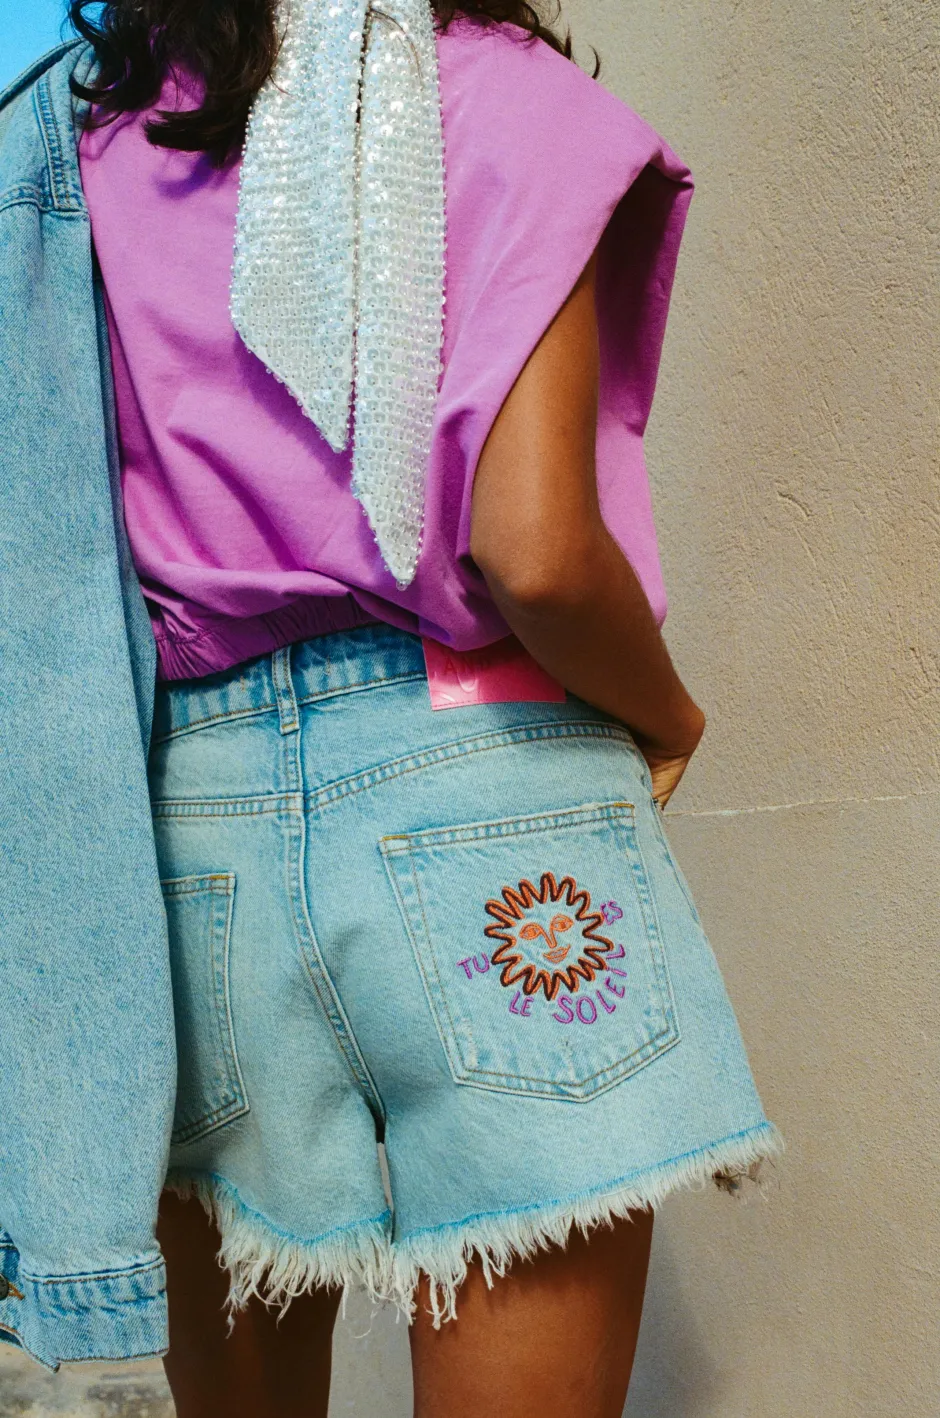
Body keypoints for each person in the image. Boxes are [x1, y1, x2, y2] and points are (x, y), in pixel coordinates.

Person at [0, 1, 779, 1413]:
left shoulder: (86, 148)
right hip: (485, 786)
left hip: (190, 848)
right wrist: (670, 713)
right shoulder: (503, 94)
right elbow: (536, 549)